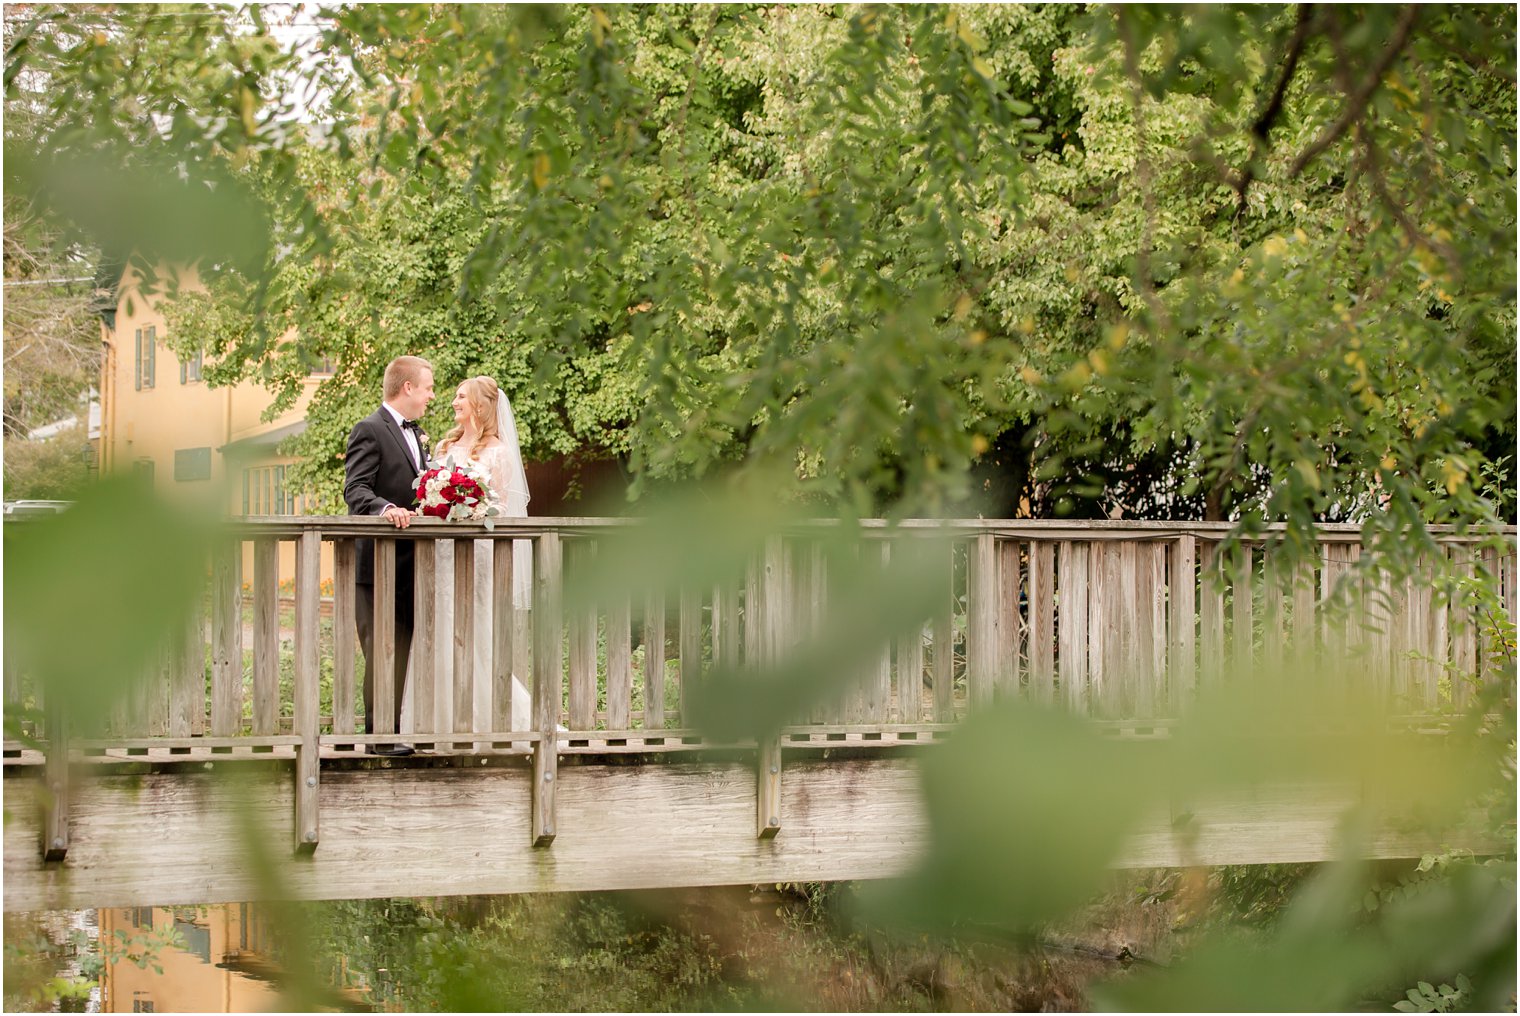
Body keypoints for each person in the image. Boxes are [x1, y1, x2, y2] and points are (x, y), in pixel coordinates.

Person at [344, 355, 435, 756]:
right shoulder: (369, 429)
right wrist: (386, 509)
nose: (432, 395)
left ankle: (392, 730)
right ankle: (377, 738)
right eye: (428, 387)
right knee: (381, 647)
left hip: (410, 564)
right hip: (375, 564)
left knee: (402, 647)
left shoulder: (419, 435)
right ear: (408, 387)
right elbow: (356, 490)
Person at [435, 376, 537, 725]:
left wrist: (472, 511)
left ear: (479, 405)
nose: (454, 402)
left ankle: (485, 718)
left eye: (461, 396)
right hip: (442, 557)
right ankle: (439, 717)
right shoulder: (442, 448)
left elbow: (502, 511)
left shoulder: (498, 452)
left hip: (478, 556)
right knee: (439, 631)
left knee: (476, 635)